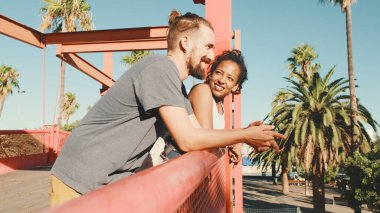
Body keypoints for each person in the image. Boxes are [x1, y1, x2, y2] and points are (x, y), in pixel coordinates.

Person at [50, 10, 285, 206]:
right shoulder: (159, 69)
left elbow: (199, 131)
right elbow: (187, 139)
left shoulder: (176, 86)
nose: (211, 56)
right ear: (186, 43)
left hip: (104, 183)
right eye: (208, 46)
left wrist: (241, 135)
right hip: (80, 179)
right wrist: (243, 135)